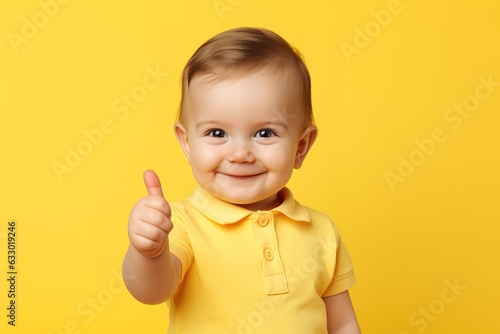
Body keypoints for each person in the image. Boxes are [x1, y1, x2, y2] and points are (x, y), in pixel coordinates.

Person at [122, 27, 361, 334]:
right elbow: (151, 291)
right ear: (187, 143)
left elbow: (342, 323)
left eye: (265, 133)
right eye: (217, 133)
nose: (240, 154)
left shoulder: (321, 231)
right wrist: (149, 253)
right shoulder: (182, 224)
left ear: (300, 147)